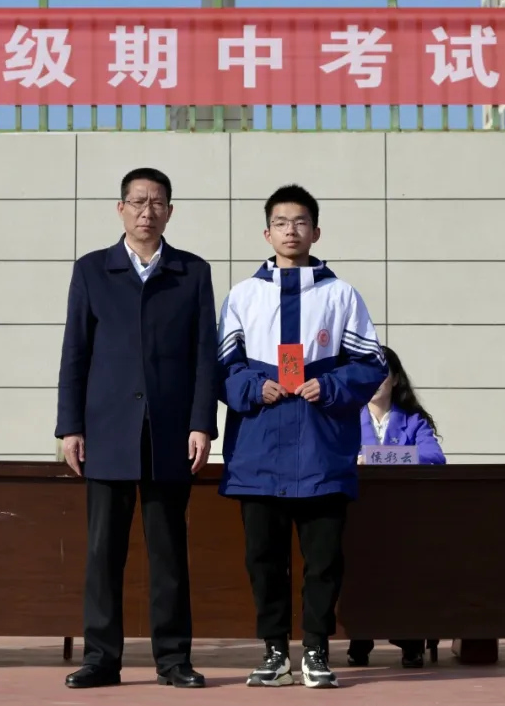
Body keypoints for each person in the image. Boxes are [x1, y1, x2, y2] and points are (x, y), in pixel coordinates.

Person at [217, 184, 388, 688]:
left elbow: (372, 364)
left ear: (316, 231)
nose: (290, 231)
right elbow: (220, 368)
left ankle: (315, 650)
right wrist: (253, 387)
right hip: (258, 451)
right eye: (281, 223)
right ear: (266, 233)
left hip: (322, 452)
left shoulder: (341, 295)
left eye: (300, 223)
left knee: (324, 562)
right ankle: (274, 653)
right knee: (264, 561)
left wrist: (329, 385)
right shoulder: (243, 296)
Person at [56, 167, 217, 689]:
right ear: (120, 208)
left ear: (170, 211)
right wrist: (70, 426)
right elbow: (75, 352)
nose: (148, 211)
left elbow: (204, 356)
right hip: (106, 431)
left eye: (157, 203)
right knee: (103, 553)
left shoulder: (192, 272)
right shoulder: (92, 270)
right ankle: (101, 658)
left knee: (168, 554)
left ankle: (173, 660)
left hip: (169, 432)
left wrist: (201, 424)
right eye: (138, 202)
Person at [347, 346, 445, 669]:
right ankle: (360, 639)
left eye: (383, 373)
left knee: (408, 571)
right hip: (360, 515)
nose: (376, 380)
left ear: (395, 379)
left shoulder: (412, 419)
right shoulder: (348, 418)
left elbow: (434, 458)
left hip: (404, 517)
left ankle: (411, 641)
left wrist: (376, 457)